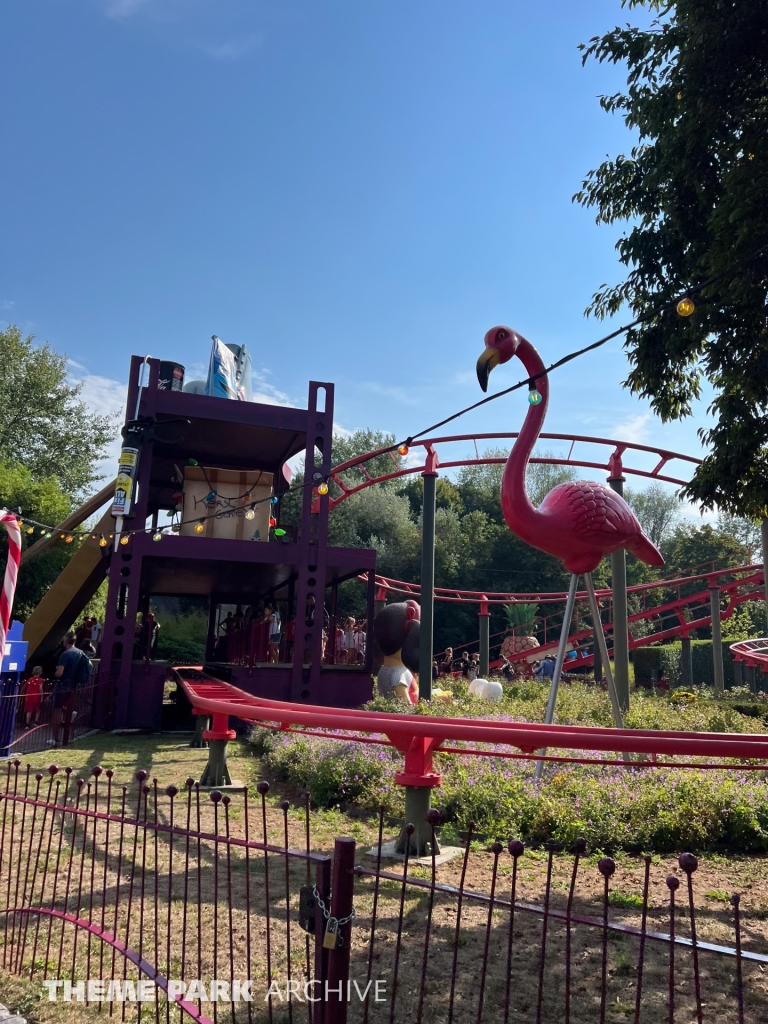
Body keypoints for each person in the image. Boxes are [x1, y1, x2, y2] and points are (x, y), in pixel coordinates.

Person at [51, 634, 91, 746]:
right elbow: (90, 664)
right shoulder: (80, 652)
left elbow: (59, 673)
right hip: (73, 684)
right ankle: (70, 716)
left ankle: (55, 738)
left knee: (56, 710)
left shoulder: (65, 655)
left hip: (63, 683)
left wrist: (55, 672)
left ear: (66, 641)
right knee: (66, 705)